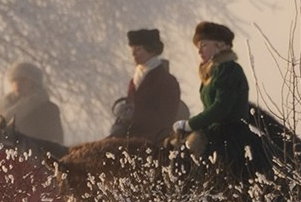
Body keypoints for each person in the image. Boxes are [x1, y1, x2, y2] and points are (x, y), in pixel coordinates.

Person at [181, 21, 268, 179]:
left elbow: (221, 108)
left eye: (204, 45)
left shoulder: (229, 70)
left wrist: (190, 124)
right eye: (198, 47)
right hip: (215, 133)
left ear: (220, 45)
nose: (199, 50)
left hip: (231, 137)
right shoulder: (211, 73)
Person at [110, 28, 186, 141]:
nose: (133, 53)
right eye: (132, 49)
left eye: (138, 49)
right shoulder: (134, 81)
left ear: (151, 50)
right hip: (130, 137)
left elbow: (165, 118)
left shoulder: (167, 81)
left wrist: (134, 114)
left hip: (155, 140)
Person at [0, 60, 66, 148]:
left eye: (23, 79)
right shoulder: (4, 107)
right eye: (14, 80)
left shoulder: (48, 109)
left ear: (34, 82)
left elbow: (55, 143)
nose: (17, 84)